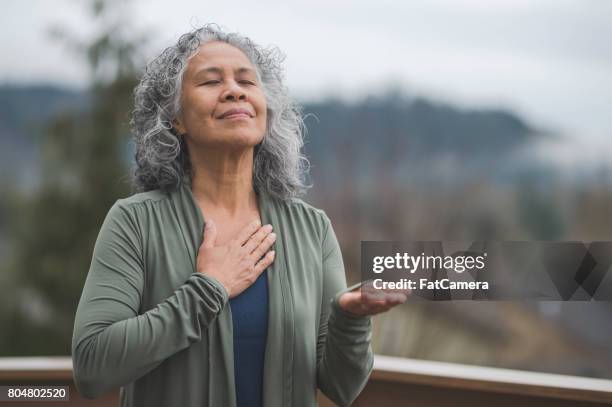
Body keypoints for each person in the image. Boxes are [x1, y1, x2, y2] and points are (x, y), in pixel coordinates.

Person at [71, 24, 408, 407]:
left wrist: (350, 318)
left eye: (247, 81)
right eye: (210, 81)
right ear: (175, 118)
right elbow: (92, 367)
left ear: (264, 111)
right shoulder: (135, 223)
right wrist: (208, 289)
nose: (234, 89)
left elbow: (342, 386)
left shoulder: (311, 229)